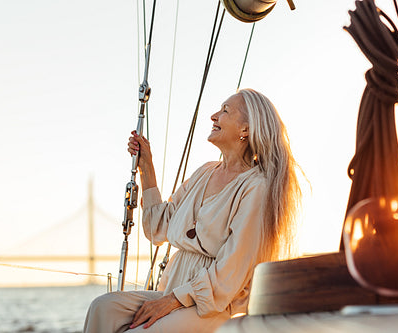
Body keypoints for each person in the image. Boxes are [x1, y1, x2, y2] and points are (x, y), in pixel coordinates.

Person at [83, 88, 301, 333]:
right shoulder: (204, 172)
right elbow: (158, 228)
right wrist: (147, 166)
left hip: (213, 305)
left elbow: (231, 272)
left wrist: (173, 300)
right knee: (102, 308)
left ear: (246, 130)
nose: (214, 116)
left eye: (225, 111)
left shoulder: (256, 187)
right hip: (174, 290)